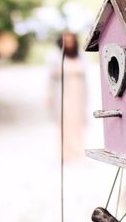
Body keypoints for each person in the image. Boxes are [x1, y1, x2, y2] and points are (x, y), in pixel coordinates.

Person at [48, 32, 87, 162]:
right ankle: (64, 154)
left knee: (77, 123)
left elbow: (86, 77)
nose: (69, 42)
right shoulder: (56, 56)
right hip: (63, 94)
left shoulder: (80, 56)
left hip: (78, 94)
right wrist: (49, 94)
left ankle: (77, 152)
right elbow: (50, 77)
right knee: (63, 123)